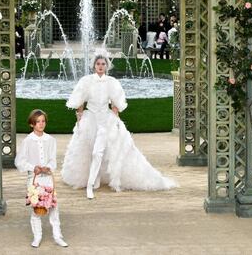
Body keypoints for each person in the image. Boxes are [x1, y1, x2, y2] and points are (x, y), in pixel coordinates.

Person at [61, 50, 177, 199]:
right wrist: (79, 118)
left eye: (103, 64)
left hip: (105, 119)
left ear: (107, 66)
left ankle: (90, 185)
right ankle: (94, 179)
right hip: (90, 118)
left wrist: (115, 118)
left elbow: (116, 103)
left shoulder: (112, 82)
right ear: (94, 65)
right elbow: (80, 102)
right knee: (88, 149)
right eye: (98, 64)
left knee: (100, 151)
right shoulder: (86, 81)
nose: (100, 66)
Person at [15, 109, 68, 248]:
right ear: (32, 124)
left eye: (43, 121)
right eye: (37, 121)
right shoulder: (27, 141)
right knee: (37, 208)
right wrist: (34, 168)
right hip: (34, 180)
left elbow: (53, 160)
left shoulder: (50, 140)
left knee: (53, 207)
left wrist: (47, 167)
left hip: (48, 179)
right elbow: (19, 161)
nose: (41, 124)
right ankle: (37, 237)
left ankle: (57, 236)